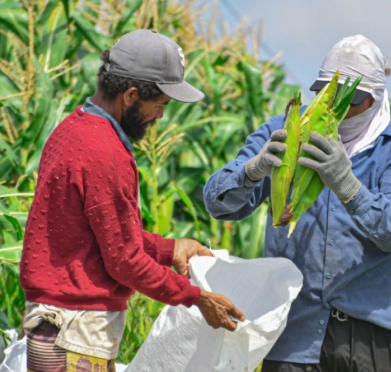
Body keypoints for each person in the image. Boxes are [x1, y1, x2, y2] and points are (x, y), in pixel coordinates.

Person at [19, 29, 244, 372]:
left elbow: (104, 238)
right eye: (160, 106)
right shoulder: (104, 150)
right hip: (74, 333)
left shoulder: (71, 128)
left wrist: (172, 250)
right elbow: (124, 261)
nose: (160, 117)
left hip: (55, 327)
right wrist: (198, 299)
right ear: (132, 95)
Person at [203, 34, 391, 372]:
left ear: (376, 98)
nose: (339, 111)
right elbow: (218, 203)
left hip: (373, 334)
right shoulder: (283, 131)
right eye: (329, 96)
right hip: (294, 337)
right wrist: (254, 169)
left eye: (352, 101)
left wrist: (347, 184)